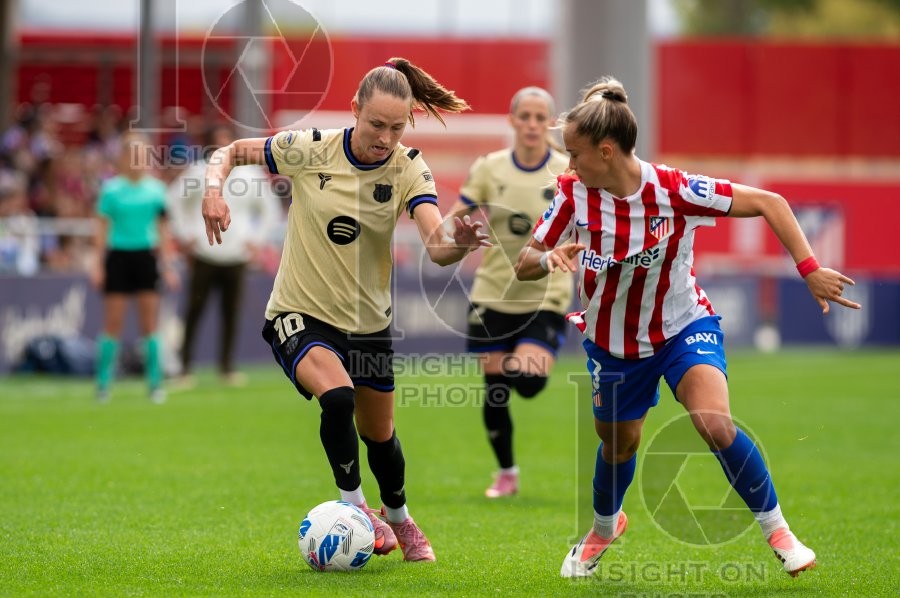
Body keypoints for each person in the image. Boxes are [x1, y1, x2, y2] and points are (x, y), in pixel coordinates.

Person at [515, 77, 861, 578]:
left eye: (575, 154)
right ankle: (604, 528)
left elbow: (770, 203)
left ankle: (779, 530)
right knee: (619, 444)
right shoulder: (572, 194)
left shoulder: (674, 189)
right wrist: (550, 260)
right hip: (612, 346)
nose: (568, 166)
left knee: (714, 422)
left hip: (683, 326)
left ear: (607, 151)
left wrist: (810, 270)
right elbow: (524, 263)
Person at [201, 57, 490, 562]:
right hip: (298, 312)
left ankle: (398, 515)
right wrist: (212, 192)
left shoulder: (408, 167)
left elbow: (438, 247)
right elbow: (228, 152)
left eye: (396, 127)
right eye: (376, 124)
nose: (385, 137)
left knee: (381, 438)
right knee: (337, 399)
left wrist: (461, 242)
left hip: (368, 325)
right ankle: (356, 508)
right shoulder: (310, 148)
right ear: (354, 110)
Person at [446, 87, 573, 498]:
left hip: (545, 293)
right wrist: (458, 232)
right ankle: (506, 473)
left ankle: (508, 468)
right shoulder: (490, 168)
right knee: (495, 388)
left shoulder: (568, 170)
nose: (533, 125)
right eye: (526, 117)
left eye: (541, 117)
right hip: (492, 293)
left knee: (528, 379)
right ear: (512, 120)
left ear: (550, 123)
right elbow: (456, 217)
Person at [168, 124, 281, 387]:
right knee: (194, 311)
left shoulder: (252, 175)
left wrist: (257, 241)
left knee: (231, 313)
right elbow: (173, 201)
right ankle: (184, 368)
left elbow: (270, 210)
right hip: (204, 253)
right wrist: (185, 235)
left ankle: (227, 367)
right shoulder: (199, 172)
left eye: (226, 142)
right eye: (217, 142)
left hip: (237, 256)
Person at [92, 132, 179, 404]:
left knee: (149, 324)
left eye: (142, 156)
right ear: (122, 158)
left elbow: (164, 231)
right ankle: (103, 383)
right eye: (132, 156)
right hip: (118, 257)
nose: (137, 161)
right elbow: (101, 229)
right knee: (113, 323)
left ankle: (154, 383)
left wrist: (168, 265)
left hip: (146, 258)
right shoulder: (111, 190)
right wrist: (97, 264)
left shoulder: (156, 190)